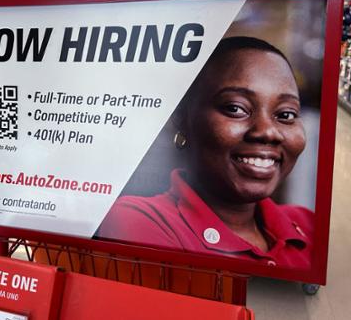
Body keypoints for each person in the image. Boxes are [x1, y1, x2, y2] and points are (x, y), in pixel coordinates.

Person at [97, 37, 313, 269]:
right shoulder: (139, 220)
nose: (268, 132)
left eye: (286, 115)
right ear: (181, 121)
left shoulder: (309, 224)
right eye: (235, 108)